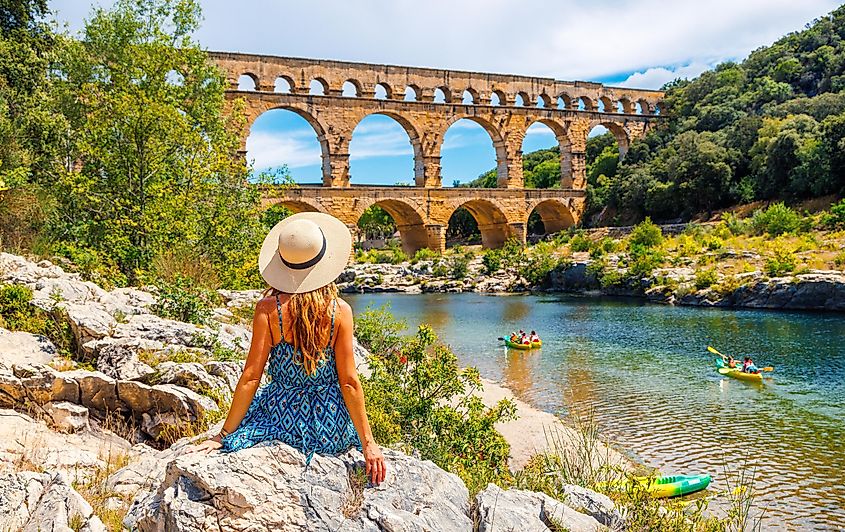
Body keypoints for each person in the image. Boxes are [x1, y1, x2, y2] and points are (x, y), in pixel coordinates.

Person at [190, 212, 386, 485]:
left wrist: (222, 435)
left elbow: (251, 376)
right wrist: (369, 444)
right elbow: (349, 382)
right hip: (331, 425)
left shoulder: (269, 310)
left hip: (282, 417)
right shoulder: (340, 311)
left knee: (248, 429)